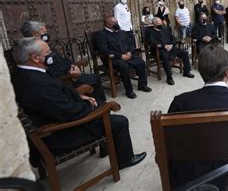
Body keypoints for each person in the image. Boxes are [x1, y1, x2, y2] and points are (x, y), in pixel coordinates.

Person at [11, 38, 146, 169]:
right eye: (47, 53)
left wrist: (79, 96)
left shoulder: (22, 72)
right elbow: (67, 112)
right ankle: (125, 160)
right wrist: (90, 106)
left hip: (53, 117)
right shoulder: (37, 84)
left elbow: (56, 94)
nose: (51, 55)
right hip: (59, 135)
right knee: (118, 120)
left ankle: (105, 145)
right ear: (35, 58)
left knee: (99, 105)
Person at [166, 44, 228, 187]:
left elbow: (169, 141)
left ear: (201, 72)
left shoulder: (181, 102)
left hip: (192, 177)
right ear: (227, 72)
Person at [20, 21, 106, 102]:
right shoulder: (34, 50)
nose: (46, 34)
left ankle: (98, 103)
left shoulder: (42, 45)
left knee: (94, 77)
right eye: (44, 32)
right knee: (94, 79)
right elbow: (48, 70)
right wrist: (71, 73)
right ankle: (100, 107)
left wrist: (72, 65)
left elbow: (59, 59)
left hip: (68, 71)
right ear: (34, 34)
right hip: (65, 79)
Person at [95, 16, 151, 99]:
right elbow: (104, 50)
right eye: (114, 22)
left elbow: (131, 44)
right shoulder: (101, 35)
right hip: (113, 59)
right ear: (107, 24)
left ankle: (142, 85)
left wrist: (129, 52)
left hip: (127, 56)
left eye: (116, 22)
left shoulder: (121, 32)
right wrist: (120, 56)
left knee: (141, 62)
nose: (116, 24)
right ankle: (129, 91)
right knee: (124, 67)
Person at [146, 17, 194, 85]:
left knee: (184, 53)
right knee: (165, 56)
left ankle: (186, 72)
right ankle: (169, 77)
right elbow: (153, 43)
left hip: (171, 48)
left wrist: (171, 45)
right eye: (156, 22)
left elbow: (173, 39)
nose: (159, 23)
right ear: (153, 24)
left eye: (160, 21)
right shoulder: (150, 32)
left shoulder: (165, 29)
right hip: (160, 50)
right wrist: (164, 46)